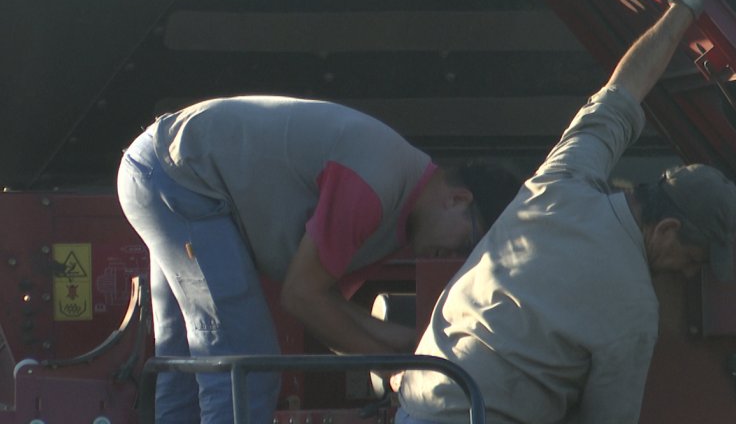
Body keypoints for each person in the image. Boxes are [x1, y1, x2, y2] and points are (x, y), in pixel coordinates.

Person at [396, 0, 736, 424]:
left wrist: (683, 6)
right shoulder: (636, 310)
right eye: (694, 259)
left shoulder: (561, 182)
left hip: (417, 405)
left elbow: (622, 93)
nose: (688, 274)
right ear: (666, 229)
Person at [116, 96, 520, 424]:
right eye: (466, 243)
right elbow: (302, 297)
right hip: (180, 177)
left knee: (185, 365)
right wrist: (412, 351)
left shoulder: (397, 214)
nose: (454, 257)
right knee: (245, 368)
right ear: (458, 199)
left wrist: (405, 355)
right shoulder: (376, 186)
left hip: (172, 171)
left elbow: (328, 316)